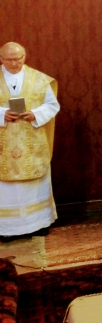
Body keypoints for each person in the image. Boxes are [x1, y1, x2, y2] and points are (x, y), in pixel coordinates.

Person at [0, 42, 60, 238]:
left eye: (19, 58)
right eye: (10, 59)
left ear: (25, 56)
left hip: (32, 141)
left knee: (34, 184)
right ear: (1, 59)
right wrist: (2, 114)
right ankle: (7, 229)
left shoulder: (40, 79)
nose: (15, 63)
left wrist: (35, 114)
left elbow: (52, 105)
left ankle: (38, 224)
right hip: (3, 143)